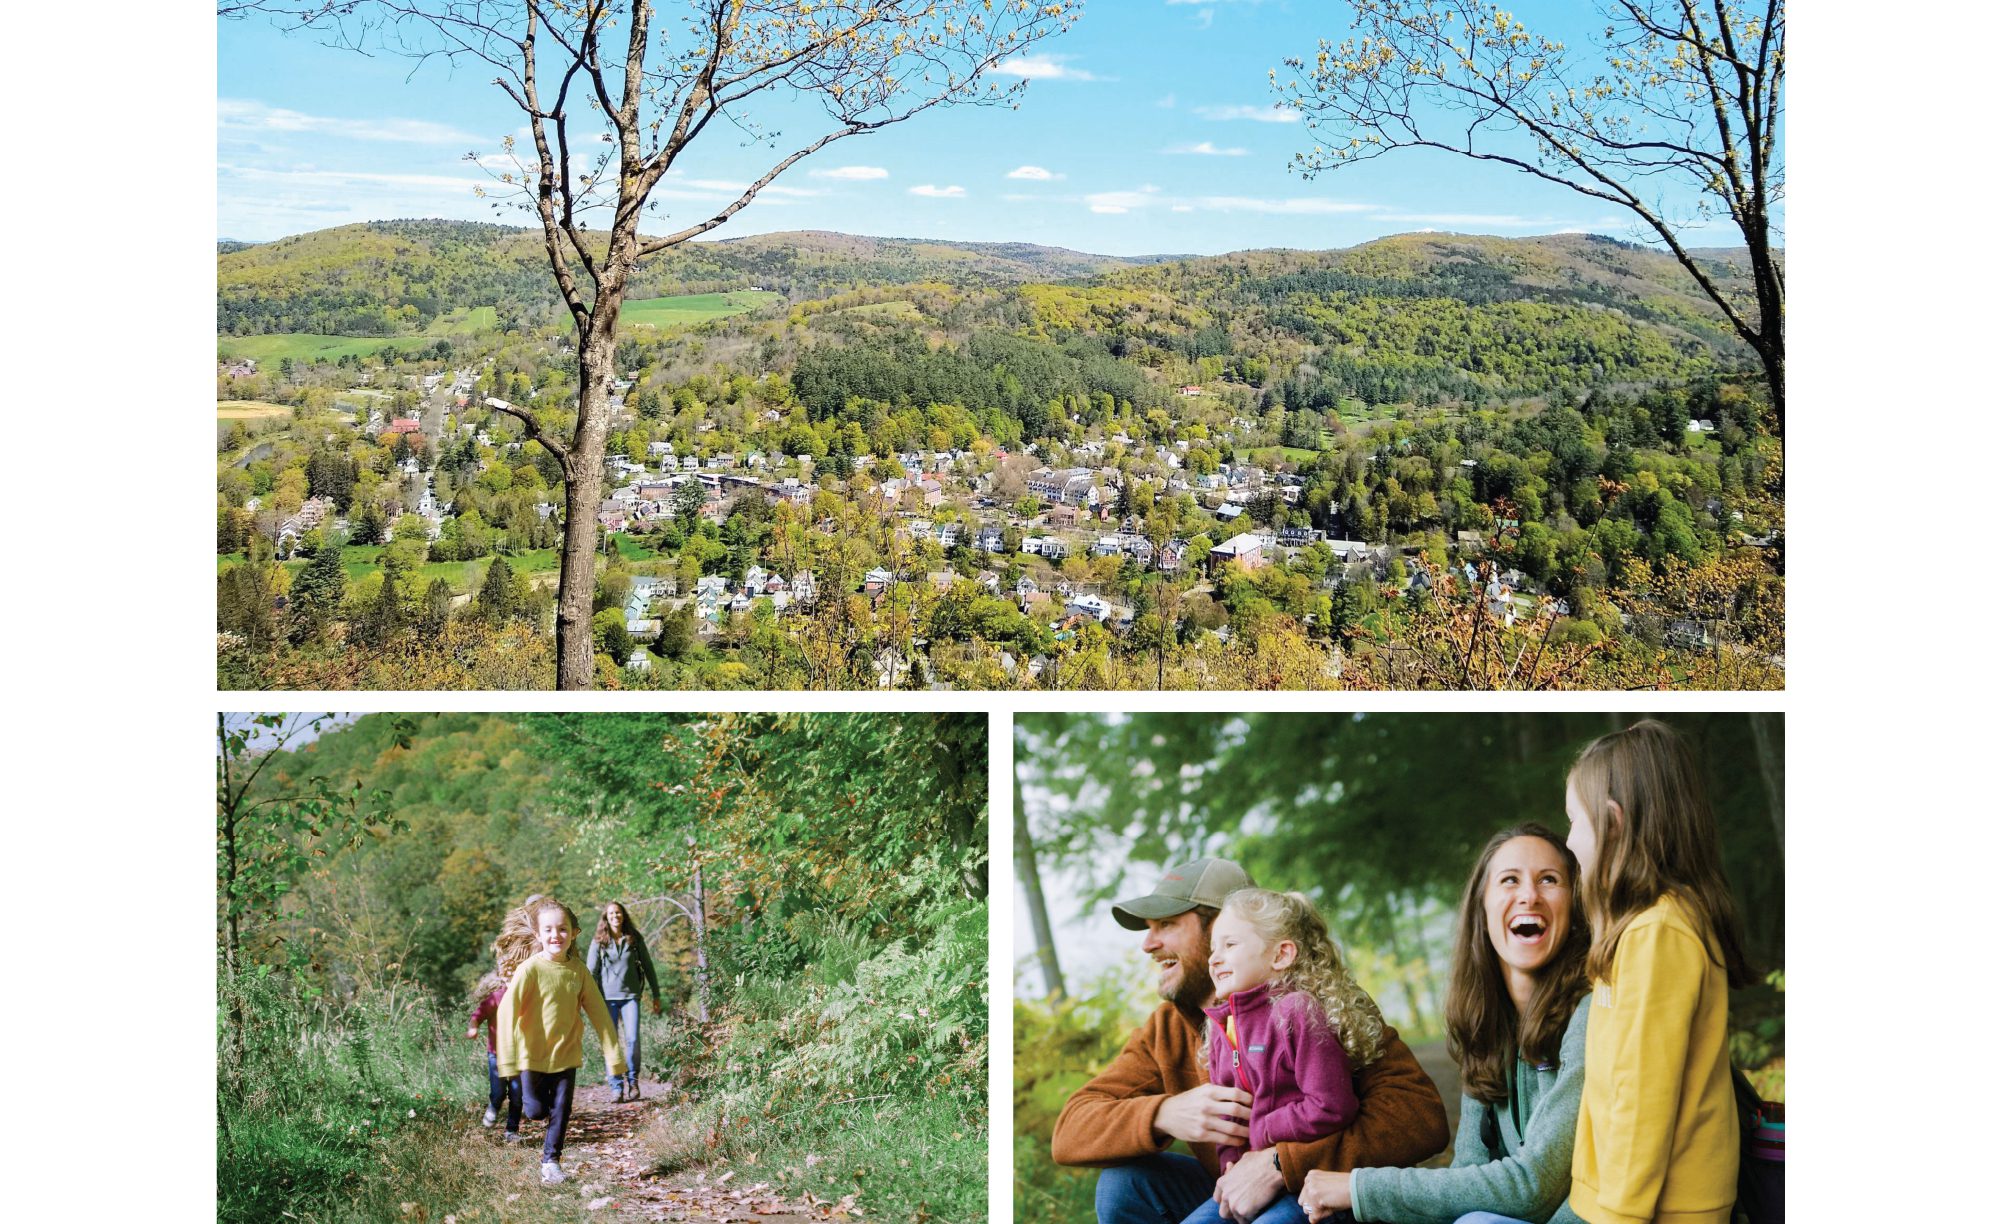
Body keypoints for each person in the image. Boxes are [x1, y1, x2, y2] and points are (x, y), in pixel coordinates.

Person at [1052, 858, 1450, 1224]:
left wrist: (1281, 1164)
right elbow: (1071, 1130)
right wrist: (1165, 1113)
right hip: (1232, 1192)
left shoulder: (1319, 1004)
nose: (1148, 943)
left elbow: (1419, 1117)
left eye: (1167, 925)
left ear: (1223, 926)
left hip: (1320, 1199)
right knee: (1124, 1184)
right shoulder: (1167, 1028)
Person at [1299, 824, 1593, 1224]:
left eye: (1549, 880)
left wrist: (1358, 1187)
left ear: (1574, 905)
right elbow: (1467, 1171)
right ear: (1482, 907)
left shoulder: (1590, 1011)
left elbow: (1534, 1186)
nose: (1529, 895)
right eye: (1510, 880)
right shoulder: (1486, 1023)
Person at [1562, 720, 1754, 1224]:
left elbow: (1644, 1091)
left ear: (1613, 823)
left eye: (1574, 822)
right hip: (1624, 1199)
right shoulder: (1640, 929)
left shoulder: (1658, 934)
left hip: (1652, 1208)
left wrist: (1621, 1215)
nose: (1569, 841)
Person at [1181, 889, 1385, 1224]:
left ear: (1281, 955)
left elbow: (1332, 1105)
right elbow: (1229, 1121)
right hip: (1251, 1178)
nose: (1214, 958)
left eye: (1230, 945)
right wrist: (1231, 1166)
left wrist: (1262, 1131)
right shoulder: (1221, 1028)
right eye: (1213, 949)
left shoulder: (1296, 1011)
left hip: (1310, 1183)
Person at [496, 897, 627, 1185]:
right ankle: (541, 1133)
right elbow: (506, 1011)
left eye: (563, 929)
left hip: (567, 1055)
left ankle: (551, 1162)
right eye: (549, 930)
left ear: (574, 933)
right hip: (531, 1055)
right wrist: (506, 1058)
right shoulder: (530, 969)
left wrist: (614, 1057)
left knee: (561, 1110)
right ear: (538, 934)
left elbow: (600, 1014)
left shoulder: (579, 971)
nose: (556, 935)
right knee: (535, 1111)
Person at [586, 901, 663, 1102]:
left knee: (633, 1040)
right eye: (611, 913)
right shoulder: (599, 941)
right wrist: (586, 998)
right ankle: (616, 1087)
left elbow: (648, 966)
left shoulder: (634, 939)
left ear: (623, 915)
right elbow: (590, 972)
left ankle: (633, 1083)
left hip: (631, 998)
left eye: (618, 912)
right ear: (605, 917)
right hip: (607, 999)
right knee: (611, 1043)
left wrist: (656, 995)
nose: (615, 916)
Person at [466, 966, 524, 1140]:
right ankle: (494, 1105)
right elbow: (477, 1016)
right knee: (498, 1091)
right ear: (502, 979)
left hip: (519, 1056)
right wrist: (473, 1029)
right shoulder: (497, 997)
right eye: (508, 977)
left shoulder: (527, 997)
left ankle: (511, 1131)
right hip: (497, 1054)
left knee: (517, 1094)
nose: (512, 980)